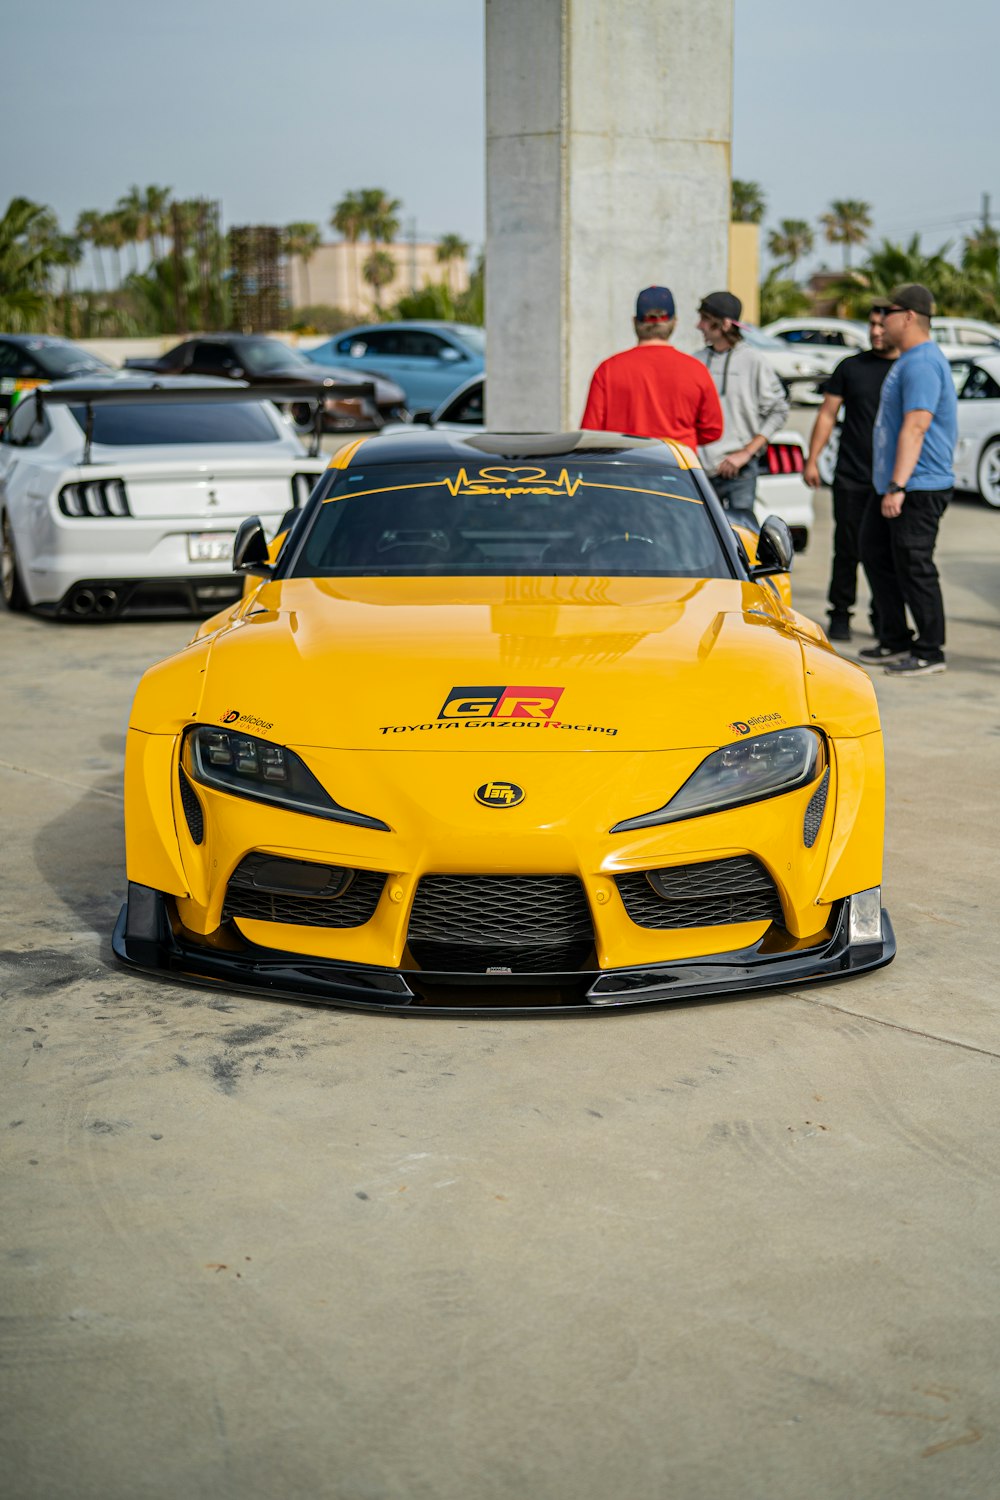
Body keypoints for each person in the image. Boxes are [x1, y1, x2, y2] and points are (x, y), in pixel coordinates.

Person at [859, 283, 957, 677]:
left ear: (910, 316)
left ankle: (930, 650)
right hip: (897, 485)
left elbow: (916, 426)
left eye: (890, 312)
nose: (882, 320)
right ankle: (895, 638)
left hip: (918, 485)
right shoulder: (909, 359)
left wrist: (898, 485)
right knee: (876, 553)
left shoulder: (921, 362)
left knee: (914, 564)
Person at [804, 306, 898, 641]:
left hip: (892, 480)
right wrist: (812, 459)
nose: (875, 331)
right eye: (871, 324)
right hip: (852, 474)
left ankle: (883, 617)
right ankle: (840, 614)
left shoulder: (907, 369)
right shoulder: (851, 367)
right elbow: (828, 414)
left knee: (887, 552)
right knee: (847, 548)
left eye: (881, 325)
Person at [692, 290, 790, 530]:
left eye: (705, 319)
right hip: (699, 471)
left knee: (744, 538)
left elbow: (778, 410)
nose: (699, 325)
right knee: (700, 537)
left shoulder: (754, 361)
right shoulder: (695, 361)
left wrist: (746, 453)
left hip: (740, 472)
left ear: (725, 324)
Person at [580, 286, 724, 450]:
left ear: (635, 321)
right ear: (674, 322)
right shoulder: (696, 370)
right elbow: (713, 430)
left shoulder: (608, 369)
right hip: (676, 469)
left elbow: (590, 433)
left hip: (623, 468)